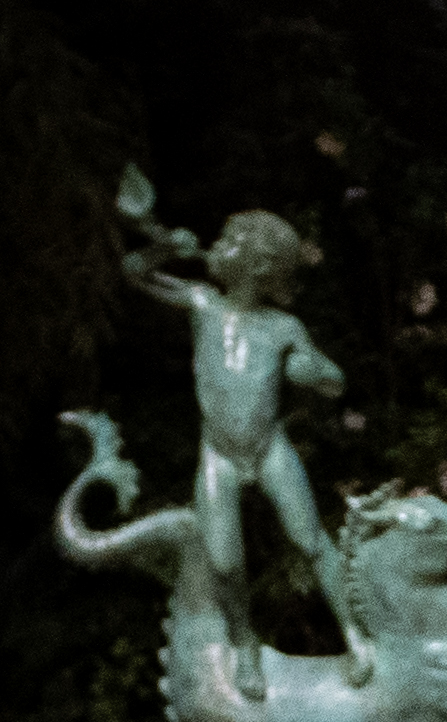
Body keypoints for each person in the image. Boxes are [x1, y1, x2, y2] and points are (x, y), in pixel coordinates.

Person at [113, 170, 348, 607]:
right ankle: (243, 646)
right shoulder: (204, 303)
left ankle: (356, 636)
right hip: (217, 452)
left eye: (230, 241)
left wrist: (310, 367)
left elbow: (336, 382)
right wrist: (163, 246)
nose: (217, 246)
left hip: (269, 446)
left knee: (310, 540)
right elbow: (133, 271)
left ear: (258, 266)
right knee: (224, 562)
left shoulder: (283, 327)